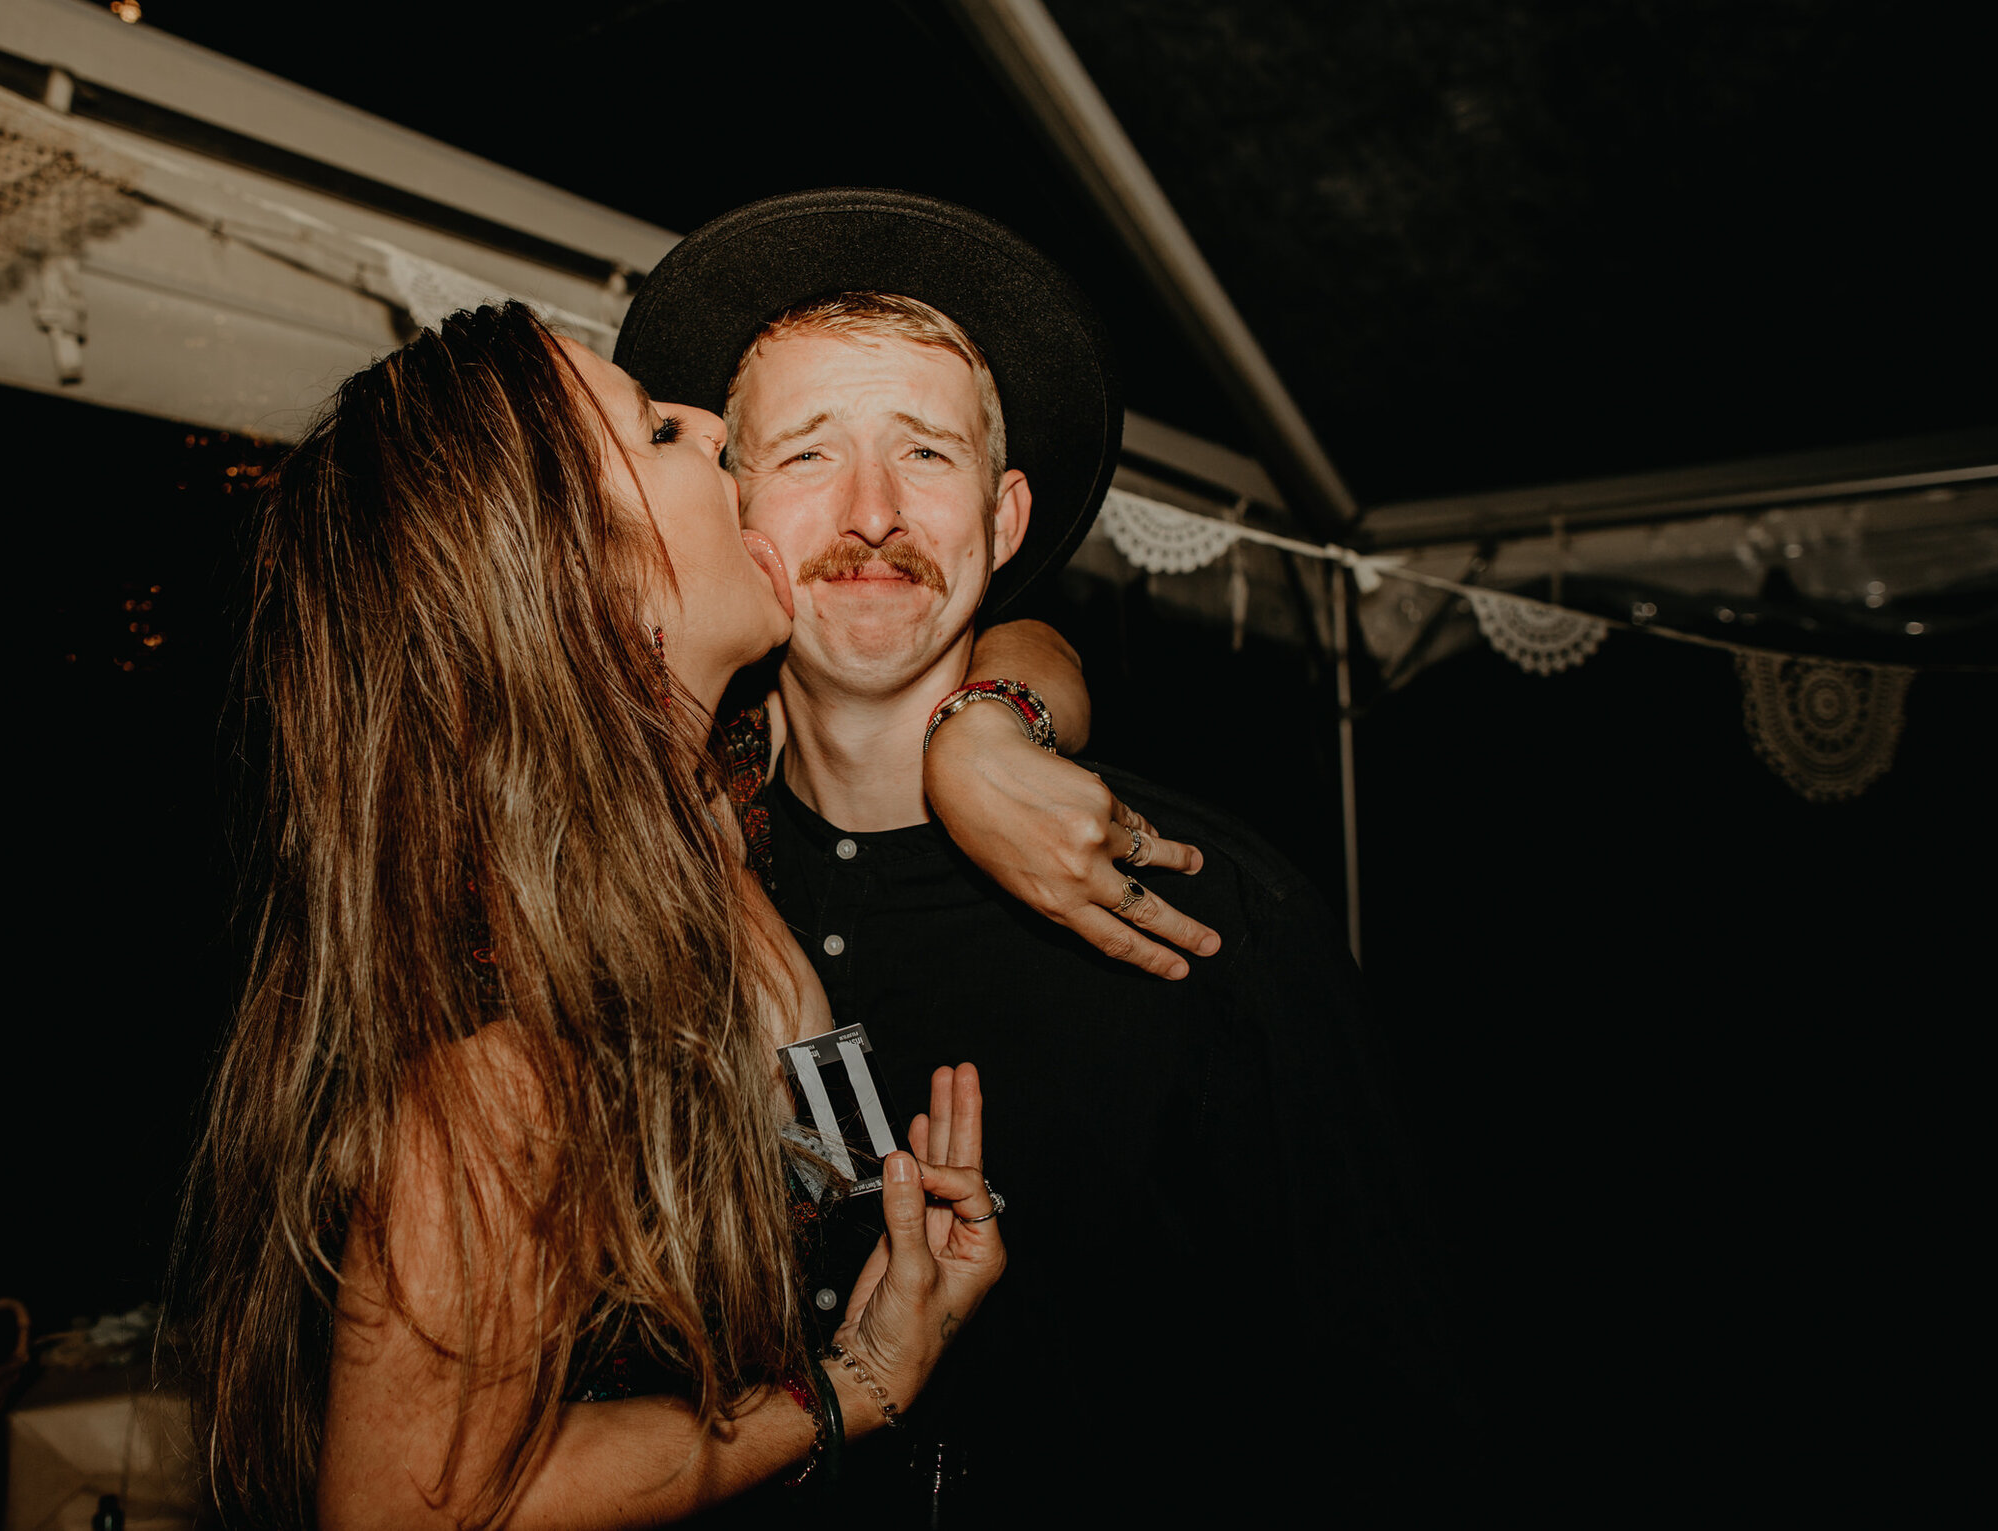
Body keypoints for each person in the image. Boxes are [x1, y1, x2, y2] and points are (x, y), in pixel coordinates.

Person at [176, 300, 1154, 1529]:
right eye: (654, 431)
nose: (703, 426)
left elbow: (978, 618)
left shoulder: (703, 803)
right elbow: (407, 1508)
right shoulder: (507, 1033)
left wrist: (990, 728)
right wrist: (853, 1388)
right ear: (576, 562)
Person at [616, 190, 1479, 1523]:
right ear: (726, 510)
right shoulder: (643, 901)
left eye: (926, 455)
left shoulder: (1213, 908)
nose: (870, 512)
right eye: (804, 456)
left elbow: (1395, 1417)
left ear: (1005, 519)